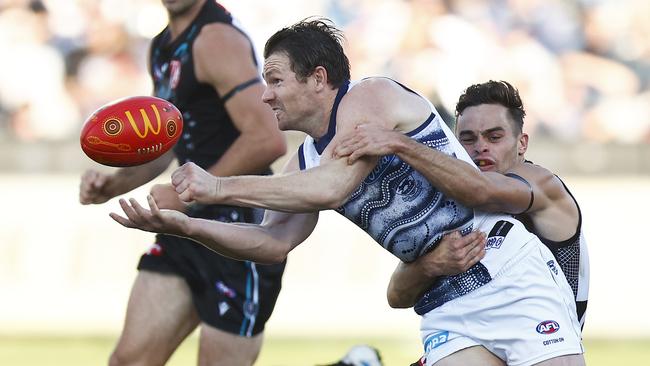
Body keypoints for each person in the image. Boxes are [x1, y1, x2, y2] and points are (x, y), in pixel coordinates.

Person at [110, 19, 585, 366]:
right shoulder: (303, 161)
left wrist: (216, 186)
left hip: (504, 270)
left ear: (318, 79)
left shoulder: (368, 97)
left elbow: (333, 185)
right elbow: (271, 243)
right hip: (446, 301)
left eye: (275, 80)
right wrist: (187, 225)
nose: (265, 95)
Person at [78, 1, 287, 365]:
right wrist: (113, 185)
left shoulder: (216, 39)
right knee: (128, 361)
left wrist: (185, 193)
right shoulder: (163, 45)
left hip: (239, 235)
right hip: (186, 227)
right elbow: (165, 143)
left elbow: (266, 138)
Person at [333, 80, 590, 364]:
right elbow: (397, 295)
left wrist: (399, 143)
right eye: (467, 139)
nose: (480, 148)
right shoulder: (454, 201)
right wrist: (431, 264)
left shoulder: (539, 184)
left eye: (494, 137)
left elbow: (481, 189)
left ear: (522, 144)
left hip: (539, 340)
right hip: (474, 344)